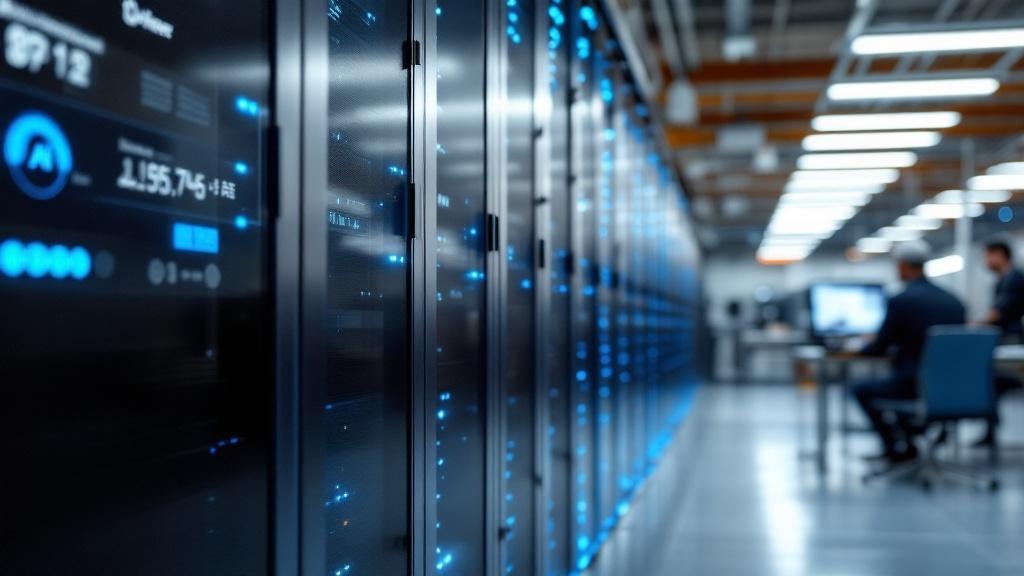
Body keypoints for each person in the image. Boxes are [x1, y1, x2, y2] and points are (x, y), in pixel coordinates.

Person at [853, 240, 966, 462]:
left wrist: (857, 348)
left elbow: (879, 348)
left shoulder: (901, 300)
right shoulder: (955, 302)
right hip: (954, 387)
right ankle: (912, 436)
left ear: (902, 266)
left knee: (861, 390)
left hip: (913, 385)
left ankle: (896, 446)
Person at [976, 238, 1024, 446]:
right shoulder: (1002, 280)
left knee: (989, 379)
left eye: (988, 255)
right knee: (987, 380)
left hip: (1012, 344)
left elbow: (998, 313)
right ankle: (990, 427)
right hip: (1003, 341)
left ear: (1000, 255)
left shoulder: (1014, 279)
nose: (986, 261)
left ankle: (990, 427)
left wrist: (972, 325)